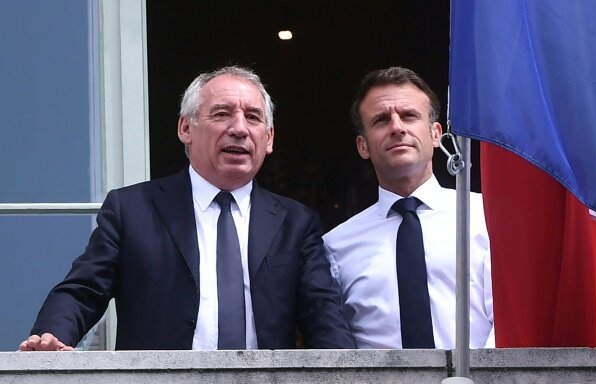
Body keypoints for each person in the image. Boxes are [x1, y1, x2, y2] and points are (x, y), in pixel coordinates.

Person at [20, 65, 355, 351]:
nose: (239, 128)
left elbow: (322, 312)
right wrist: (52, 337)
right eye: (222, 114)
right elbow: (84, 290)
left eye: (253, 117)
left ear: (268, 139)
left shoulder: (296, 222)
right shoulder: (133, 210)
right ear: (185, 128)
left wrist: (348, 372)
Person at [323, 66, 493, 349]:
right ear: (363, 145)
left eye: (409, 116)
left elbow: (511, 319)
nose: (397, 127)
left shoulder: (485, 216)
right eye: (380, 120)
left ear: (436, 133)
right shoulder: (335, 246)